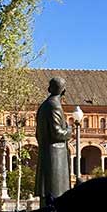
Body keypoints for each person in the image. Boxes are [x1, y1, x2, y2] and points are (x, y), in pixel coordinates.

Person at [34, 76, 72, 204]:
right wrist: (69, 131)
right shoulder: (54, 105)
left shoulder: (43, 106)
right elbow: (57, 133)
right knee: (56, 195)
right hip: (55, 157)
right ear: (64, 91)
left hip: (46, 153)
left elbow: (37, 133)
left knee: (48, 196)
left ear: (49, 88)